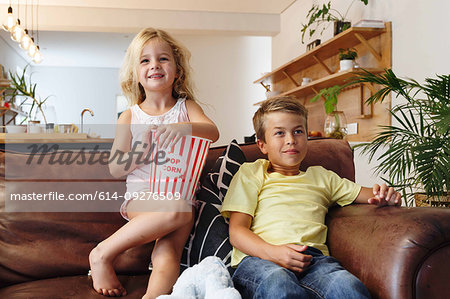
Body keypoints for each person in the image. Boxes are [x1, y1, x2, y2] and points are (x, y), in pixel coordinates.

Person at [221, 96, 401, 299]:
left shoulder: (322, 177)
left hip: (314, 261)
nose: (291, 139)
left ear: (307, 136)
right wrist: (274, 253)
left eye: (298, 131)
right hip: (260, 260)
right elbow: (237, 231)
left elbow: (368, 194)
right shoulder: (252, 173)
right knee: (278, 284)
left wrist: (387, 195)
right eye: (279, 133)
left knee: (347, 287)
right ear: (262, 145)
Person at [89, 28, 219, 298]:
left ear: (177, 70)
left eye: (163, 58)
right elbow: (115, 167)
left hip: (182, 195)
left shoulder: (187, 108)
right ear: (135, 73)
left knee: (169, 250)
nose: (154, 65)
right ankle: (101, 253)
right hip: (144, 195)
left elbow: (213, 131)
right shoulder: (130, 116)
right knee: (177, 211)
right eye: (145, 60)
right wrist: (141, 153)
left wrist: (184, 127)